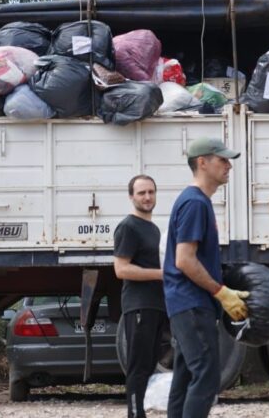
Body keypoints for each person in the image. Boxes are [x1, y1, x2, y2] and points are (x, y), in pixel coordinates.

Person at [164, 137, 249, 418]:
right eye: (222, 160)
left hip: (185, 303)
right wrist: (220, 292)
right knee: (206, 377)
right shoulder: (195, 203)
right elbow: (184, 259)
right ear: (202, 162)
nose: (229, 166)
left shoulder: (196, 201)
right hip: (192, 302)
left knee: (186, 377)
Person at [114, 174, 166, 418]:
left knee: (149, 364)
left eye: (151, 192)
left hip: (156, 305)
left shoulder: (153, 229)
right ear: (131, 197)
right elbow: (121, 269)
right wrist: (161, 274)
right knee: (138, 366)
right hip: (139, 305)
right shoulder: (128, 227)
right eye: (141, 193)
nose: (147, 197)